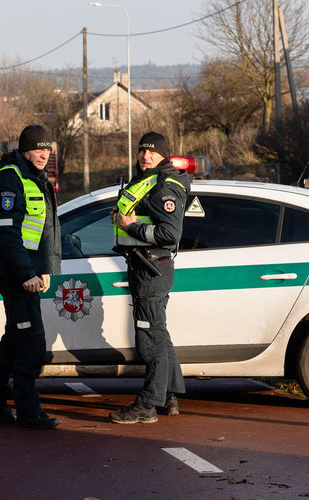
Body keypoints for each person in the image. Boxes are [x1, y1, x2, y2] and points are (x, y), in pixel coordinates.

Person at [0, 124, 62, 429]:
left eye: (47, 149)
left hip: (27, 272)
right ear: (25, 149)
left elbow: (41, 231)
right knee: (32, 342)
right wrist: (28, 273)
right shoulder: (9, 178)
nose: (44, 154)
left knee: (15, 339)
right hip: (15, 274)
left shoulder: (33, 176)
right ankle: (29, 411)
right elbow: (7, 233)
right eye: (38, 149)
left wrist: (44, 269)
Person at [109, 131, 190, 424]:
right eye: (142, 151)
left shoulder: (163, 187)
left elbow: (170, 233)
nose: (146, 156)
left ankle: (147, 404)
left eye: (152, 152)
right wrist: (122, 221)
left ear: (162, 155)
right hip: (146, 268)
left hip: (152, 269)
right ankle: (168, 395)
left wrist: (131, 228)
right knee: (160, 335)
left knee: (149, 341)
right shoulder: (146, 183)